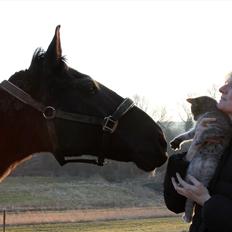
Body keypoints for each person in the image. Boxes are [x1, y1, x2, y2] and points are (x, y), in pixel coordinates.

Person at [163, 73, 232, 232]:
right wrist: (194, 146)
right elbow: (175, 204)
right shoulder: (213, 133)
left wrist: (206, 201)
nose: (221, 89)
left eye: (231, 85)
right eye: (224, 83)